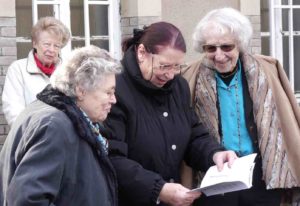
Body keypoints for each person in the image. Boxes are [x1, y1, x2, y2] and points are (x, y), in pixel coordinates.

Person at [104, 21, 237, 206]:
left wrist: (214, 155)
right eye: (164, 66)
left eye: (177, 67)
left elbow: (193, 135)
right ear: (141, 53)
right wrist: (158, 189)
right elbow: (111, 158)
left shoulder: (178, 87)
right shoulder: (114, 89)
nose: (170, 75)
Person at [182, 7, 300, 206]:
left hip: (261, 175)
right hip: (214, 174)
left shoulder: (268, 70)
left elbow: (288, 120)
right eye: (211, 48)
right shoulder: (189, 76)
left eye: (227, 47)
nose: (219, 55)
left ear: (240, 44)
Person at [0, 45, 122, 206]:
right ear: (80, 90)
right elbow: (28, 200)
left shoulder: (60, 116)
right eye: (108, 92)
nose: (114, 100)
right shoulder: (54, 126)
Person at [2, 16, 70, 126]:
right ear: (35, 43)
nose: (51, 50)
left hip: (64, 136)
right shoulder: (18, 69)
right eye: (47, 44)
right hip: (32, 137)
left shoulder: (67, 71)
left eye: (56, 45)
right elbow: (13, 110)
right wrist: (34, 133)